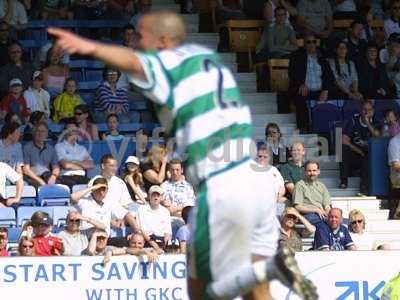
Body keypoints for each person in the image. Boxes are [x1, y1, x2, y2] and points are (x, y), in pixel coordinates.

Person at [49, 12, 317, 300]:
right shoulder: (208, 60)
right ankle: (267, 270)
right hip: (258, 181)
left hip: (222, 186)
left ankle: (270, 269)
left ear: (162, 41)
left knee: (200, 291)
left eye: (140, 35)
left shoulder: (170, 63)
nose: (134, 42)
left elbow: (133, 62)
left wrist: (88, 46)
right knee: (256, 291)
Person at [288, 34, 334, 132]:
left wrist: (325, 90)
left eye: (314, 42)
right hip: (305, 89)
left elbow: (329, 76)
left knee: (334, 97)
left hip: (320, 91)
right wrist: (300, 84)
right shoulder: (297, 56)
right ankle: (304, 128)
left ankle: (325, 129)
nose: (311, 44)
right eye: (308, 42)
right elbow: (292, 73)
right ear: (304, 44)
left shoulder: (322, 57)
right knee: (300, 97)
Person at [70, 177, 139, 236]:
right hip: (86, 237)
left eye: (104, 190)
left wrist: (137, 232)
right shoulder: (84, 201)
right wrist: (92, 188)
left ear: (107, 190)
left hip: (104, 239)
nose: (101, 192)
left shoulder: (110, 202)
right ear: (93, 190)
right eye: (99, 189)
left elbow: (127, 214)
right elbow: (73, 197)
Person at [340, 100, 380, 194]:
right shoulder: (353, 121)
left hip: (370, 156)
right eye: (364, 109)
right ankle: (343, 181)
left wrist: (368, 123)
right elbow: (343, 140)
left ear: (373, 111)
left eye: (369, 110)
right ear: (360, 110)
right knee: (341, 148)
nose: (366, 112)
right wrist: (360, 151)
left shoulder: (377, 122)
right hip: (356, 153)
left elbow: (378, 137)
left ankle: (364, 187)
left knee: (368, 156)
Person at [293, 160, 331, 227]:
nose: (312, 173)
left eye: (314, 170)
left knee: (341, 220)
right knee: (324, 222)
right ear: (305, 172)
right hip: (307, 215)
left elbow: (327, 205)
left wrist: (327, 212)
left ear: (318, 171)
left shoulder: (322, 186)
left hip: (321, 214)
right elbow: (297, 207)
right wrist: (316, 210)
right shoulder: (300, 185)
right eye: (309, 171)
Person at [55, 121, 94, 187]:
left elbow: (90, 164)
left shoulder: (82, 148)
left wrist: (73, 162)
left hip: (82, 177)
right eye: (69, 129)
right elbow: (66, 165)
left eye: (74, 130)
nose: (71, 131)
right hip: (66, 177)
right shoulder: (59, 146)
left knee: (94, 185)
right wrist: (82, 165)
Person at [22, 122, 60, 187]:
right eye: (38, 131)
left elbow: (56, 167)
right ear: (33, 133)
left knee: (59, 185)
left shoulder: (51, 149)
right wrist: (40, 180)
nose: (40, 134)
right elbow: (26, 170)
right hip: (32, 177)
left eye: (43, 131)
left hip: (47, 176)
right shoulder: (27, 147)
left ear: (47, 134)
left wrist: (53, 176)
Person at [137, 185, 172, 253]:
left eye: (158, 195)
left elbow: (168, 233)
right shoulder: (142, 209)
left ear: (161, 197)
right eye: (153, 195)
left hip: (162, 242)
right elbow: (142, 230)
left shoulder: (165, 211)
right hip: (147, 241)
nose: (156, 198)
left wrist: (165, 246)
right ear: (149, 196)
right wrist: (155, 246)